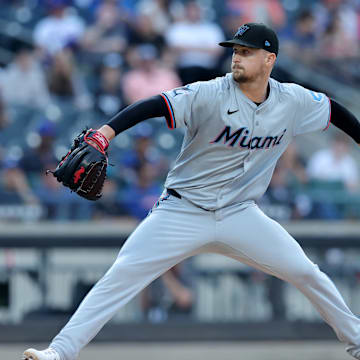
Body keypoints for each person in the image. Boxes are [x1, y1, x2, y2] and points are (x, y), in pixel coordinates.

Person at [23, 22, 360, 360]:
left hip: (241, 214)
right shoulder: (209, 93)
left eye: (246, 52)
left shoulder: (293, 100)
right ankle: (59, 352)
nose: (237, 58)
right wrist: (106, 134)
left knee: (306, 272)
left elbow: (334, 111)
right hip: (182, 211)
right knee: (121, 276)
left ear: (269, 59)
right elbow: (154, 104)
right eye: (235, 51)